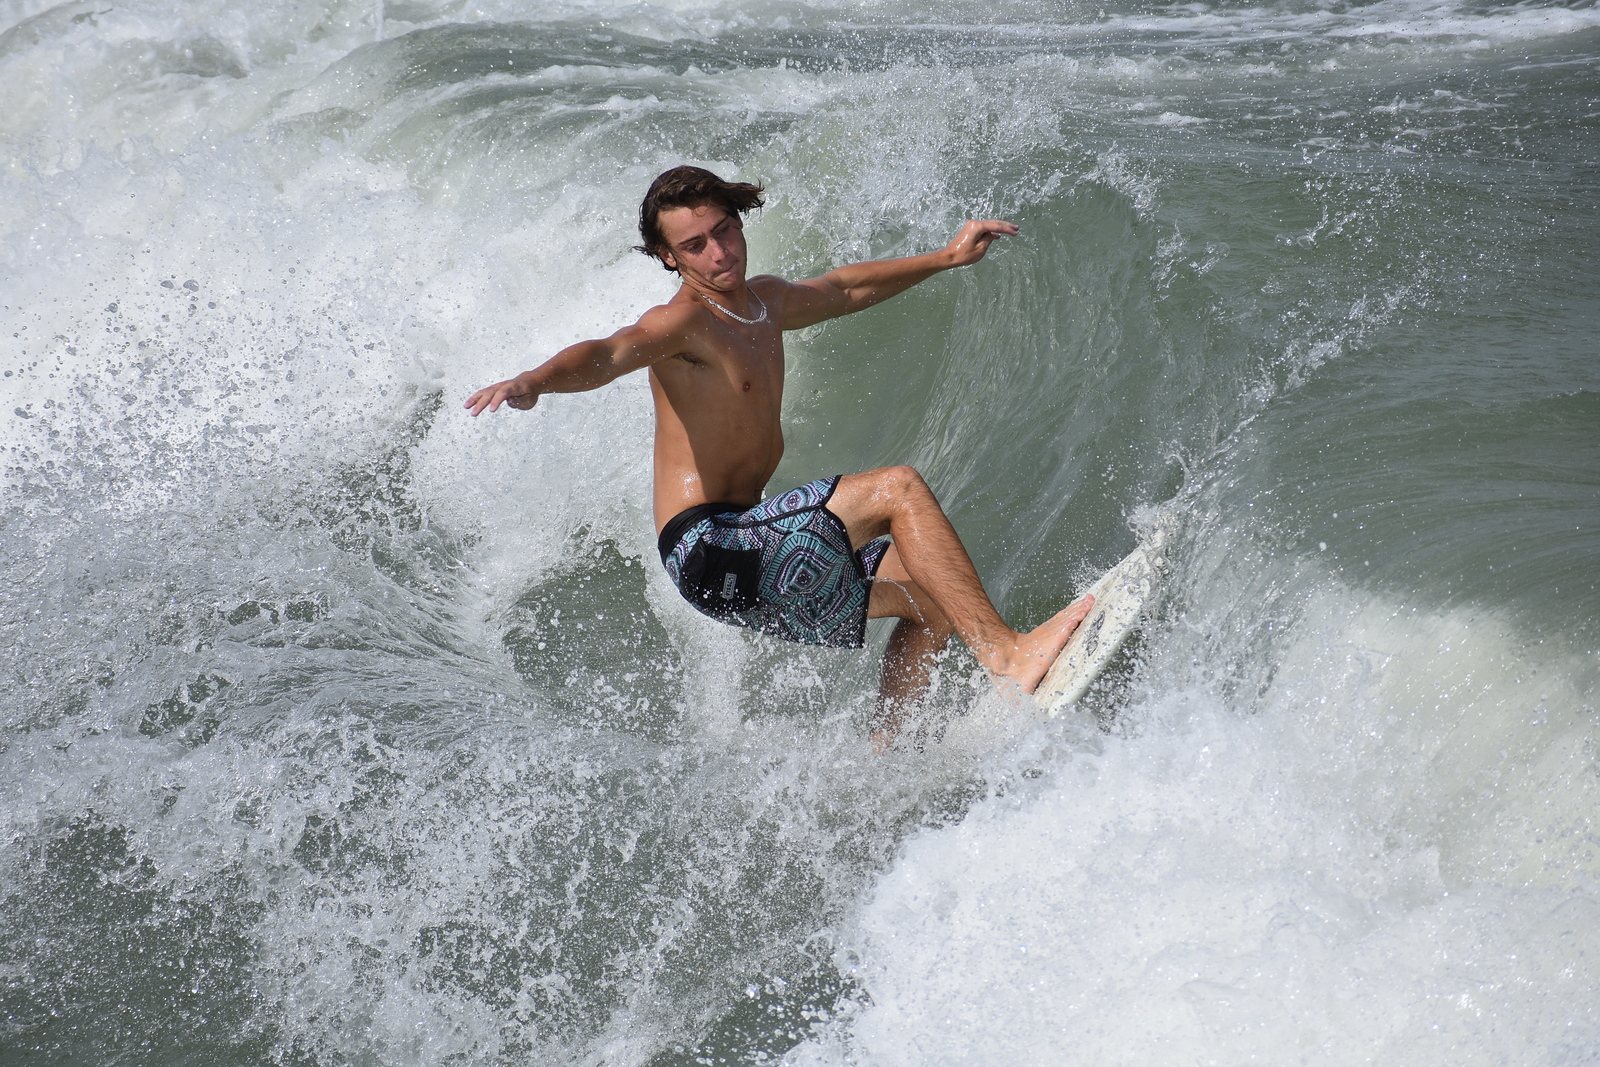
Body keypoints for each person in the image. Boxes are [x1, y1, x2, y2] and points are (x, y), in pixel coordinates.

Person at [466, 166, 1091, 747]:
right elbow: (608, 352)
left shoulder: (763, 304)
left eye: (724, 231)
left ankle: (888, 752)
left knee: (934, 589)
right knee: (897, 488)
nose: (718, 253)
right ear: (667, 257)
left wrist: (949, 258)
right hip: (707, 547)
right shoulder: (683, 322)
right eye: (694, 246)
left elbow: (843, 289)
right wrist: (534, 381)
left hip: (746, 541)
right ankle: (1007, 656)